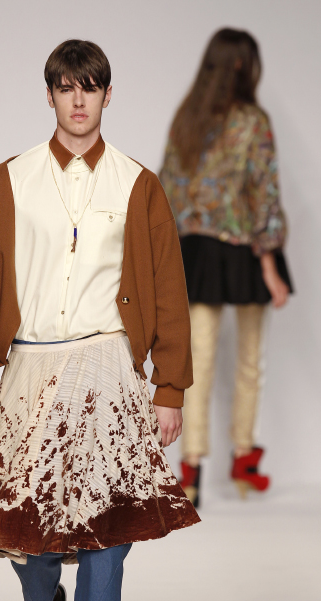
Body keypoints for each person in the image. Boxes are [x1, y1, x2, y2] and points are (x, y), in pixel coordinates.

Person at [0, 39, 200, 601]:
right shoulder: (12, 179)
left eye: (90, 87)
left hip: (108, 367)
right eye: (66, 87)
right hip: (31, 366)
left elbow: (169, 293)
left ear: (108, 95)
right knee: (24, 529)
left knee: (108, 532)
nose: (79, 99)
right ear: (51, 95)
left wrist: (169, 387)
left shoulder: (137, 184)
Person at [159, 28, 293, 508]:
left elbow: (167, 190)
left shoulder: (186, 117)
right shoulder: (253, 121)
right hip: (244, 251)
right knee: (250, 360)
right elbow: (264, 193)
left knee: (195, 362)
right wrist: (271, 266)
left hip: (194, 253)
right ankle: (242, 458)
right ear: (239, 65)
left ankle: (190, 471)